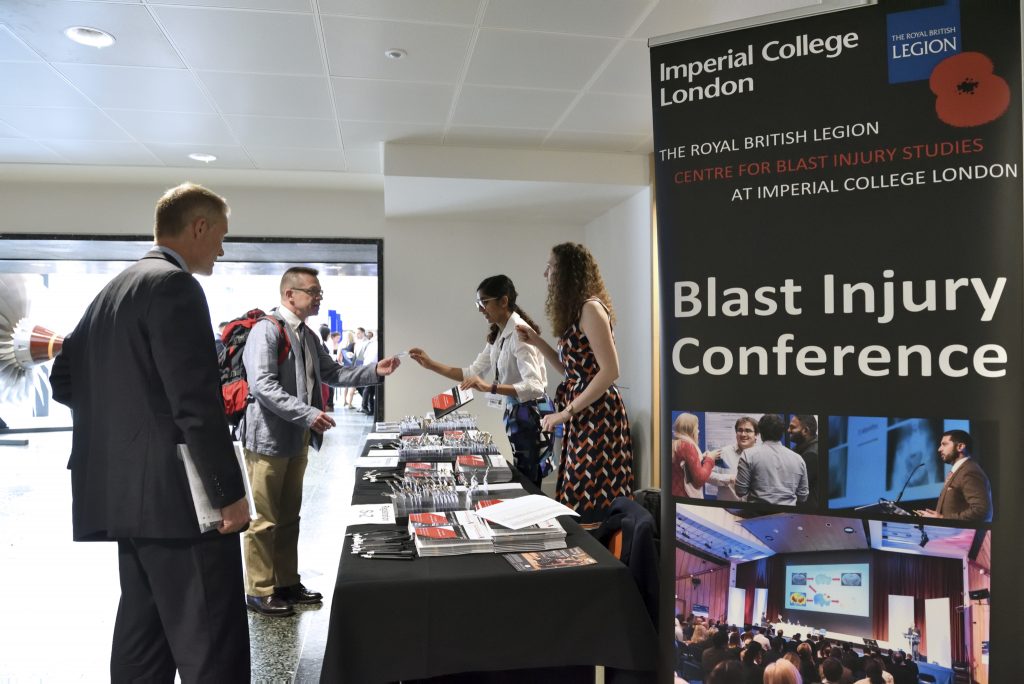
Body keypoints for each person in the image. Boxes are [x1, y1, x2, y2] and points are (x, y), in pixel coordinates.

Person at [48, 182, 251, 681]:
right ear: (198, 227)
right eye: (221, 236)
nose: (222, 250)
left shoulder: (111, 290)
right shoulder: (174, 285)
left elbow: (64, 379)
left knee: (144, 637)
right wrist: (229, 494)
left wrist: (127, 430)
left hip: (124, 495)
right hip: (177, 501)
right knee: (211, 640)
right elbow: (195, 404)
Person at [239, 267, 400, 616]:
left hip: (295, 438)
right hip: (267, 440)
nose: (318, 298)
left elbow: (333, 373)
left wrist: (374, 372)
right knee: (264, 519)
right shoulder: (267, 331)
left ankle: (285, 582)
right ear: (289, 295)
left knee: (289, 516)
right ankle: (259, 589)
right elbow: (262, 386)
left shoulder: (307, 335)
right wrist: (308, 414)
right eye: (312, 292)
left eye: (319, 292)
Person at [517, 242, 633, 522]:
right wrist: (537, 341)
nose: (546, 273)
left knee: (593, 492)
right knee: (578, 488)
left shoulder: (591, 309)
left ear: (568, 272)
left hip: (598, 416)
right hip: (583, 413)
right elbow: (572, 371)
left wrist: (565, 413)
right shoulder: (578, 311)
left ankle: (603, 555)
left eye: (552, 267)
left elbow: (610, 371)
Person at [410, 275, 549, 485]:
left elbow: (535, 387)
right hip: (515, 412)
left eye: (484, 302)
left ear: (503, 301)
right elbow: (472, 372)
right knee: (523, 473)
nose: (480, 309)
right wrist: (431, 364)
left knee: (529, 478)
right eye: (479, 303)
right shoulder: (499, 333)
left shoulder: (521, 334)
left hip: (530, 415)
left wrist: (490, 387)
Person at [735, 414, 809, 506]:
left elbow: (740, 491)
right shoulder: (798, 459)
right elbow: (803, 496)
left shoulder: (748, 455)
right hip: (787, 517)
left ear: (760, 433)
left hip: (756, 515)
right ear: (781, 433)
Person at [919, 429, 992, 521]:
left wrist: (942, 518)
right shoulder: (959, 471)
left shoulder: (969, 471)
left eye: (944, 444)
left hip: (963, 535)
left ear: (960, 447)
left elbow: (981, 510)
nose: (939, 449)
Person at [706, 416, 758, 501]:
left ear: (756, 435)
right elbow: (707, 476)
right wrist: (729, 479)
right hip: (726, 510)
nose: (743, 434)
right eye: (740, 430)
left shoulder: (760, 457)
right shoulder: (722, 453)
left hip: (753, 511)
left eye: (748, 431)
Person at [671, 412, 715, 498]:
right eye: (697, 428)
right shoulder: (687, 446)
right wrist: (710, 459)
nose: (698, 431)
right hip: (686, 497)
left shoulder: (675, 444)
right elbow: (700, 479)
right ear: (690, 429)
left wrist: (701, 457)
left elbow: (684, 468)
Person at [788, 415, 818, 502]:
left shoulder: (811, 455)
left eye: (792, 427)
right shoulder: (800, 448)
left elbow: (794, 487)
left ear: (805, 431)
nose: (788, 430)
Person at [342, 327, 368, 408]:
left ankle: (348, 402)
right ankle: (350, 404)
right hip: (355, 368)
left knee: (351, 386)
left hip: (358, 367)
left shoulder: (365, 342)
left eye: (358, 333)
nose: (356, 335)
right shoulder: (355, 344)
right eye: (356, 333)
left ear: (363, 333)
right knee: (353, 385)